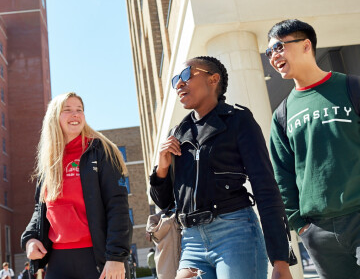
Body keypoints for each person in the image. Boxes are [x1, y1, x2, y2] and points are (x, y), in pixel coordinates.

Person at [150, 56, 293, 279]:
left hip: (235, 234)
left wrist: (280, 259)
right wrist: (162, 168)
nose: (179, 84)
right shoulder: (177, 134)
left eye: (186, 75)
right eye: (175, 79)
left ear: (213, 79)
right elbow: (165, 202)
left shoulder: (238, 120)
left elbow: (265, 187)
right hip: (191, 241)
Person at [267, 19, 360, 279]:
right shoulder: (282, 114)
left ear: (306, 45)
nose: (274, 56)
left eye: (279, 47)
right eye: (269, 52)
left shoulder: (352, 87)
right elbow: (282, 175)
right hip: (319, 232)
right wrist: (301, 225)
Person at [21, 92, 132, 279]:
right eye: (68, 110)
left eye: (79, 110)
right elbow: (40, 210)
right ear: (54, 117)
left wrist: (116, 257)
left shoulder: (101, 151)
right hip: (58, 260)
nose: (76, 115)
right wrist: (30, 239)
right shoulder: (48, 160)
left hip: (97, 258)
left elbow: (118, 206)